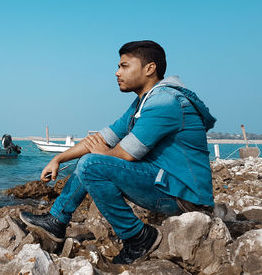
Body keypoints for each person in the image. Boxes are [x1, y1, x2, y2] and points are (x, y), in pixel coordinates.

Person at [20, 40, 216, 264]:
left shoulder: (165, 101)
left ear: (149, 68)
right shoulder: (143, 102)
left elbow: (126, 155)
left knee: (91, 164)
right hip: (166, 184)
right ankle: (56, 221)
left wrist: (100, 153)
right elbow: (104, 137)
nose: (117, 72)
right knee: (91, 159)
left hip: (185, 197)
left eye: (124, 66)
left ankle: (138, 237)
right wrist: (58, 158)